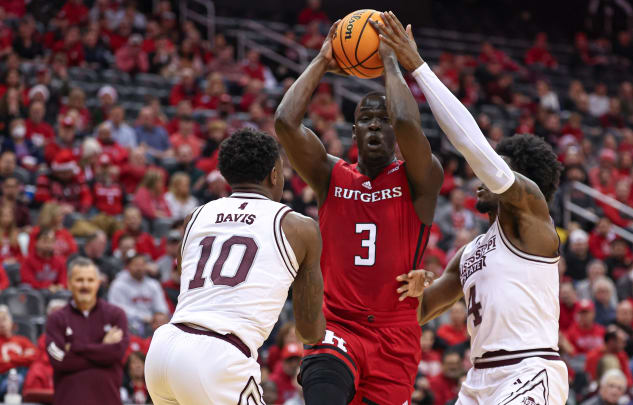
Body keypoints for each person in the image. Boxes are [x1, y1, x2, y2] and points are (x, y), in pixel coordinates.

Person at [374, 12, 567, 404]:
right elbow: (422, 311)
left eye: (494, 169)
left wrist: (418, 68)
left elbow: (473, 147)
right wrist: (410, 292)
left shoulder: (532, 219)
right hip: (478, 378)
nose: (479, 177)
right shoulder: (469, 253)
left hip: (529, 368)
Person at [274, 16, 443, 405]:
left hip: (394, 334)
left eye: (381, 121)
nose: (374, 126)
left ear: (395, 135)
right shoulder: (330, 174)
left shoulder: (421, 178)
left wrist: (389, 61)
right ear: (352, 132)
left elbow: (405, 120)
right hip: (337, 325)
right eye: (364, 119)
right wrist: (321, 60)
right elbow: (285, 122)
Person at [145, 129, 326, 404]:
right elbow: (309, 329)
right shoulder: (298, 227)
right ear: (274, 174)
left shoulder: (195, 216)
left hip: (163, 350)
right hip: (219, 355)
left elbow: (183, 274)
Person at [45, 257, 129, 405]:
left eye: (90, 280)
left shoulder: (116, 315)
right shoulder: (55, 319)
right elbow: (59, 360)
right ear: (69, 283)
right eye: (79, 280)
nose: (85, 285)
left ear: (98, 283)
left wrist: (76, 348)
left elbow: (117, 353)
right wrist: (103, 346)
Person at [107, 254, 168, 337]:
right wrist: (143, 317)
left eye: (142, 265)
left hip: (151, 323)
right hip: (129, 324)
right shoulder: (118, 284)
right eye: (136, 265)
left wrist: (159, 317)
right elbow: (116, 309)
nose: (139, 268)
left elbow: (162, 308)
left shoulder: (153, 284)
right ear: (128, 266)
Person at [0, 305, 38, 394]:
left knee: (21, 377)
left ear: (11, 321)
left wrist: (10, 359)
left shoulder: (22, 340)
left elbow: (35, 358)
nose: (1, 323)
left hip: (21, 376)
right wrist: (22, 357)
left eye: (4, 319)